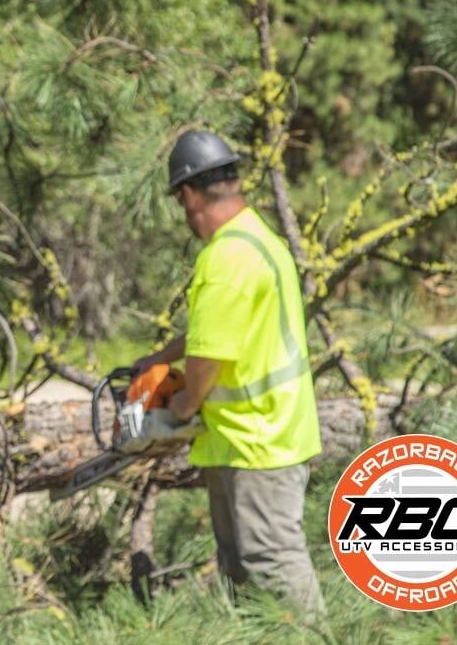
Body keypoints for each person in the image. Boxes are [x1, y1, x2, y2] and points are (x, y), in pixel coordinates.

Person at [132, 130, 326, 617]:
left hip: (256, 442)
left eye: (180, 202)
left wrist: (181, 405)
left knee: (272, 563)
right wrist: (158, 359)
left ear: (189, 194)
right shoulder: (259, 239)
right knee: (240, 570)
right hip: (257, 435)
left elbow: (207, 357)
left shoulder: (225, 257)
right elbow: (211, 330)